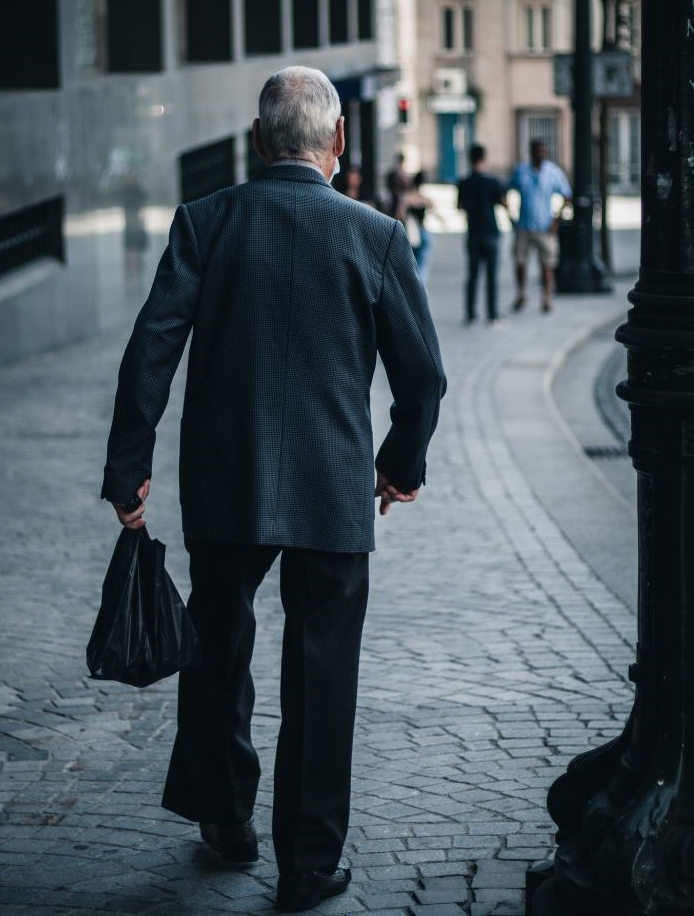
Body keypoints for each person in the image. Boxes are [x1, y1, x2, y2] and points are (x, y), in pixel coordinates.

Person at [101, 66, 446, 913]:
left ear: (258, 143)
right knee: (322, 670)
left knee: (215, 649)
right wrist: (399, 466)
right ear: (336, 143)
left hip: (228, 481)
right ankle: (307, 861)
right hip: (331, 486)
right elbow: (424, 379)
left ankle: (225, 821)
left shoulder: (207, 222)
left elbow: (151, 348)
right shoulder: (376, 236)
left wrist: (128, 468)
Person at [506, 139, 572, 313]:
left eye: (543, 151)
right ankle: (521, 294)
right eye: (537, 151)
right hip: (524, 226)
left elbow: (567, 196)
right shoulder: (521, 171)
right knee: (520, 262)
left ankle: (546, 297)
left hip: (545, 227)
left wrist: (557, 220)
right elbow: (505, 190)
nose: (540, 154)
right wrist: (510, 216)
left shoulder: (553, 173)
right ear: (531, 152)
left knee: (547, 265)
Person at [457, 144, 506, 325]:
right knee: (491, 276)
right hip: (491, 232)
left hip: (473, 233)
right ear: (484, 158)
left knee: (472, 274)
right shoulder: (493, 182)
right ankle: (492, 314)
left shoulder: (464, 182)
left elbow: (460, 206)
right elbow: (502, 202)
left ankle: (470, 314)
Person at [405, 169, 443, 283]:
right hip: (422, 231)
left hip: (410, 233)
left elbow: (400, 215)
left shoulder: (407, 198)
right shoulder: (425, 198)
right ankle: (421, 284)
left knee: (411, 262)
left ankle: (413, 285)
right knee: (422, 263)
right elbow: (436, 213)